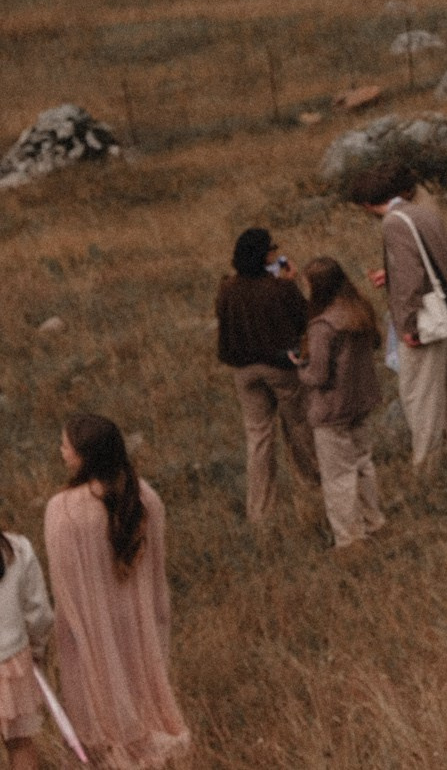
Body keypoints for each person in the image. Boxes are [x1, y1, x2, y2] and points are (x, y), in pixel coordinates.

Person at [45, 415, 190, 770]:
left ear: (84, 456)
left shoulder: (63, 510)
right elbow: (156, 572)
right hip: (137, 617)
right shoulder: (146, 497)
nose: (61, 450)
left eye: (66, 445)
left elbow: (66, 591)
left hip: (94, 622)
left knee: (102, 692)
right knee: (139, 687)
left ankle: (117, 753)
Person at [350, 166, 447, 465]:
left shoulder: (394, 222)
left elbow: (411, 277)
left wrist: (408, 325)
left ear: (367, 204)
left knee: (420, 393)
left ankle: (428, 461)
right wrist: (391, 275)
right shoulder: (423, 212)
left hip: (427, 317)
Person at [213, 227, 320, 523]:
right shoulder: (280, 288)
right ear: (264, 256)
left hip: (243, 371)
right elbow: (306, 319)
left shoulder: (227, 288)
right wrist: (292, 282)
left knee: (258, 438)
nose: (275, 252)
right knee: (298, 427)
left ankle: (259, 511)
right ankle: (313, 490)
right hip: (280, 368)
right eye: (272, 248)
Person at [298, 258, 390, 549]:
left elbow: (318, 375)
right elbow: (376, 344)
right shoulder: (359, 311)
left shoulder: (322, 326)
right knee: (363, 463)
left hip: (332, 409)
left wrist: (299, 366)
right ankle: (373, 520)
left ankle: (350, 538)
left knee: (338, 475)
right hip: (361, 400)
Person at [0, 518, 55, 770]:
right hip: (13, 663)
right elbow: (39, 613)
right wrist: (37, 649)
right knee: (20, 744)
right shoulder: (18, 549)